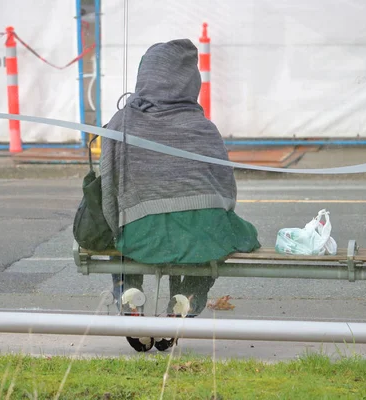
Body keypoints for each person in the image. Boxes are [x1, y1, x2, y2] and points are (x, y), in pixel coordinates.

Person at [100, 38, 261, 352]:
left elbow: (108, 190)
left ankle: (130, 297)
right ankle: (188, 298)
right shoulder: (202, 127)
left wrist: (116, 228)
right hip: (203, 229)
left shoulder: (121, 122)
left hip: (141, 232)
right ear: (190, 81)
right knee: (213, 242)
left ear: (144, 74)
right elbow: (226, 191)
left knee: (118, 241)